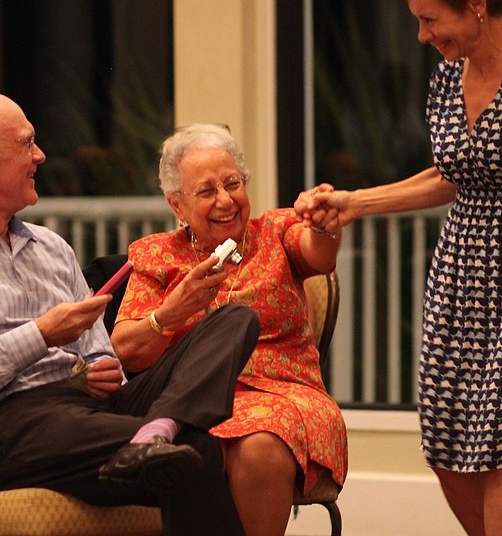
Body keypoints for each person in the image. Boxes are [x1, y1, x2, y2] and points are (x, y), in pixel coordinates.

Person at [297, 0, 502, 536]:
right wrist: (354, 202)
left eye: (431, 20)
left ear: (476, 3)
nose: (423, 36)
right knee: (446, 436)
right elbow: (450, 177)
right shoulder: (446, 80)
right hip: (460, 269)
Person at [0, 92, 258, 536]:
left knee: (235, 319)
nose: (39, 155)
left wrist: (98, 368)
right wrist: (39, 335)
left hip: (90, 411)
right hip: (3, 428)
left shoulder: (51, 248)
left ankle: (156, 428)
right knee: (196, 451)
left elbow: (99, 354)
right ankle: (153, 437)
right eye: (26, 143)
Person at [110, 124, 348, 536]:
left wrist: (324, 224)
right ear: (177, 206)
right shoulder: (156, 255)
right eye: (206, 191)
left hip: (286, 393)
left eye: (232, 183)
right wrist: (170, 312)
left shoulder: (274, 232)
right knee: (194, 445)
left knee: (259, 445)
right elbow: (125, 350)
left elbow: (318, 255)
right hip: (192, 402)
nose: (225, 200)